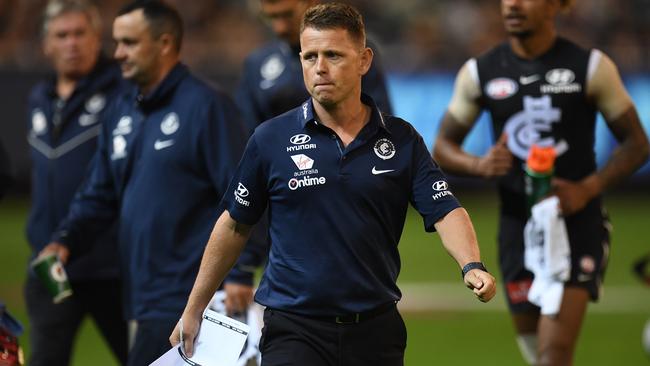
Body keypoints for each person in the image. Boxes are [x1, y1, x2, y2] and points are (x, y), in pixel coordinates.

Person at [171, 3, 496, 366]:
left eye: (333, 55)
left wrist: (471, 265)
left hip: (376, 329)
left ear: (364, 60)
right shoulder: (270, 139)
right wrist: (194, 307)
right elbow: (234, 223)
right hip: (293, 328)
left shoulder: (402, 140)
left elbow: (445, 208)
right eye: (310, 56)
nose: (320, 68)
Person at [40, 1, 264, 365]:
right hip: (140, 292)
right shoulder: (121, 108)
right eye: (117, 42)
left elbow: (245, 193)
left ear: (164, 44)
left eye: (129, 43)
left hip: (192, 295)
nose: (118, 54)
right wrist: (65, 240)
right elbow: (100, 190)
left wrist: (240, 269)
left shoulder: (207, 106)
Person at [433, 0, 650, 364]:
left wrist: (587, 190)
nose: (513, 4)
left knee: (552, 354)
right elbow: (442, 146)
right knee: (539, 356)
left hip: (577, 225)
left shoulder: (591, 66)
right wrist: (479, 165)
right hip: (516, 226)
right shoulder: (480, 71)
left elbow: (637, 144)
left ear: (559, 5)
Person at [24, 1, 127, 365]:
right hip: (52, 262)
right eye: (62, 35)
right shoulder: (39, 98)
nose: (72, 44)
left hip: (112, 264)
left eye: (80, 33)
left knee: (143, 357)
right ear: (46, 45)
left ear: (98, 39)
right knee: (45, 358)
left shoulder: (123, 92)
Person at [235, 0, 392, 134]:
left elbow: (380, 117)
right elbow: (246, 132)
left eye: (287, 15)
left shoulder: (352, 52)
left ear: (311, 3)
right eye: (271, 17)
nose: (279, 28)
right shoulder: (256, 64)